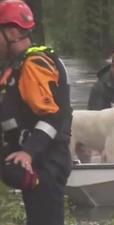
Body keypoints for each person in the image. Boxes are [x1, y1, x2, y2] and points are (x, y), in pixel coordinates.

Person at [0, 1, 72, 225]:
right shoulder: (17, 66)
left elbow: (53, 116)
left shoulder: (33, 65)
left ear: (12, 32)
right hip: (36, 161)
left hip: (45, 163)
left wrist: (29, 153)